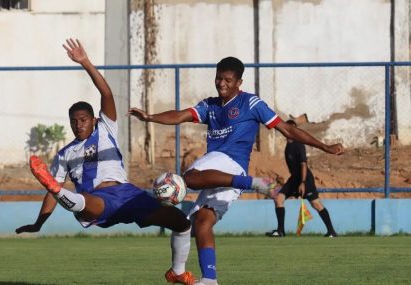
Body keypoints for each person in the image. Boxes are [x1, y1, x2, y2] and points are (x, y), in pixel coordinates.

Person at [128, 56, 344, 285]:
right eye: (218, 78)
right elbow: (180, 115)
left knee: (189, 178)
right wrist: (150, 118)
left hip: (231, 162)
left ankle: (251, 183)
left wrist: (324, 146)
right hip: (224, 171)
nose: (222, 83)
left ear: (239, 82)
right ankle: (209, 279)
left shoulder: (251, 104)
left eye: (228, 80)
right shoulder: (210, 105)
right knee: (201, 222)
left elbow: (287, 131)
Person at [16, 38, 196, 285]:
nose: (79, 125)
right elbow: (48, 198)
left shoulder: (106, 128)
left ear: (93, 119)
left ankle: (176, 272)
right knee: (81, 200)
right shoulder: (65, 154)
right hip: (97, 200)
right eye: (74, 121)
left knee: (182, 223)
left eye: (83, 120)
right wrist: (39, 223)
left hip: (128, 194)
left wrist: (85, 62)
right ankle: (60, 190)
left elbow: (106, 93)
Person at [266, 119, 338, 238]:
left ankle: (331, 232)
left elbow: (303, 164)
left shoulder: (298, 145)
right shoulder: (288, 146)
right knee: (279, 198)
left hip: (304, 179)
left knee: (316, 204)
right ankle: (280, 231)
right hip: (294, 178)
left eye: (294, 129)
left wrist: (303, 182)